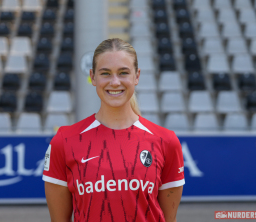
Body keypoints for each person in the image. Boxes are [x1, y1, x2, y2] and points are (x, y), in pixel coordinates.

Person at [43, 38, 185, 222]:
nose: (115, 82)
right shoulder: (64, 141)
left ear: (137, 76)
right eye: (106, 73)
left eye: (123, 72)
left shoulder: (166, 141)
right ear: (93, 77)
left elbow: (168, 219)